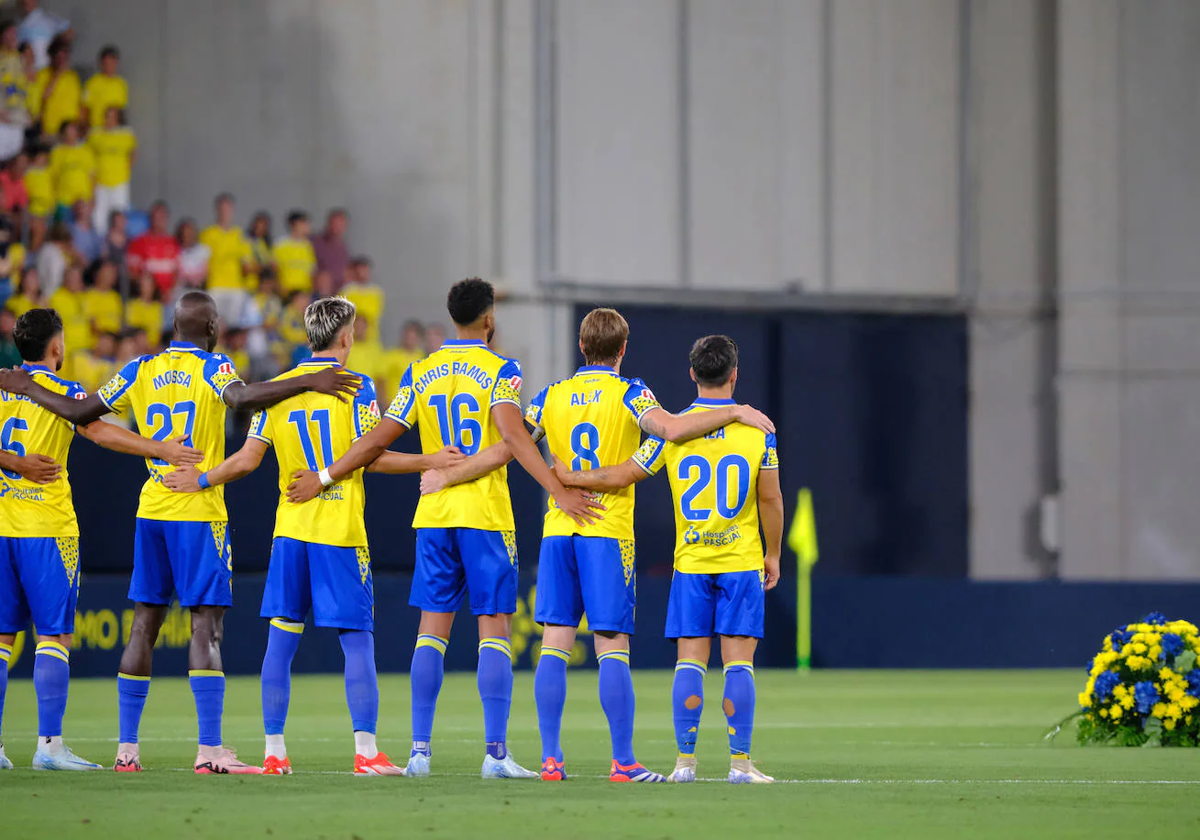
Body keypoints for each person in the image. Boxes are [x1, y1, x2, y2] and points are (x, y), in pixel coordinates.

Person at [0, 291, 361, 774]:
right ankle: (210, 749)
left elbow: (85, 414)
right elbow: (241, 398)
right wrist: (307, 381)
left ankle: (127, 751)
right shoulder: (214, 367)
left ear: (172, 325)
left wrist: (26, 389)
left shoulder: (138, 369)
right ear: (211, 328)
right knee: (205, 626)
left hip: (151, 510)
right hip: (198, 510)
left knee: (143, 624)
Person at [421, 309, 775, 783]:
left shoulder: (551, 395)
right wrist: (734, 410)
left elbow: (509, 446)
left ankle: (551, 760)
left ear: (582, 346)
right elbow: (668, 430)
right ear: (622, 349)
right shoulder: (632, 392)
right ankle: (623, 761)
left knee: (554, 644)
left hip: (558, 531)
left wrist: (450, 473)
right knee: (611, 645)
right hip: (606, 533)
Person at [286, 277, 604, 779]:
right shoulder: (501, 369)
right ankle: (496, 756)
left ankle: (418, 753)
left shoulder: (422, 370)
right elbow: (513, 435)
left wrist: (326, 474)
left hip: (433, 517)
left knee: (431, 631)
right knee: (493, 629)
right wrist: (555, 489)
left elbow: (373, 443)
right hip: (484, 516)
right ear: (489, 318)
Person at [163, 297, 464, 774]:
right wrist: (430, 460)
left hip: (290, 531)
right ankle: (366, 752)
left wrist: (200, 479)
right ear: (345, 337)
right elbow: (374, 455)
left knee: (280, 641)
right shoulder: (356, 386)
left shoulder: (277, 387)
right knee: (357, 639)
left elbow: (246, 460)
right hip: (339, 531)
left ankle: (274, 752)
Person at [551, 335, 784, 784]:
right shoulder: (757, 430)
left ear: (692, 374)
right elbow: (770, 498)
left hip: (691, 564)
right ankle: (739, 763)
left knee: (690, 663)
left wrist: (569, 479)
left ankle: (684, 763)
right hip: (739, 561)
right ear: (734, 375)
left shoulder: (670, 429)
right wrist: (772, 553)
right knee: (738, 665)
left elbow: (624, 474)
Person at [0, 307, 202, 772]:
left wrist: (11, 464)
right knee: (54, 634)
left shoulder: (3, 386)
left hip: (4, 530)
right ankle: (49, 746)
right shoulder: (65, 392)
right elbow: (101, 432)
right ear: (56, 348)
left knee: (4, 637)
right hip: (47, 531)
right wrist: (161, 448)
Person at [200, 193, 253, 328]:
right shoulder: (207, 234)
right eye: (222, 209)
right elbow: (203, 261)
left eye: (228, 209)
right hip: (215, 286)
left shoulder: (239, 235)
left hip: (235, 287)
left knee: (233, 327)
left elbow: (246, 262)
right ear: (217, 210)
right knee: (213, 325)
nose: (225, 212)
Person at [87, 107, 135, 234]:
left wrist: (124, 170)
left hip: (119, 181)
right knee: (99, 216)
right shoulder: (95, 134)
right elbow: (89, 158)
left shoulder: (126, 134)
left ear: (117, 118)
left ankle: (118, 242)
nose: (109, 119)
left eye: (112, 116)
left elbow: (133, 153)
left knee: (119, 214)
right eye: (107, 116)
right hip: (100, 182)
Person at [30, 34, 79, 137]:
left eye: (65, 56)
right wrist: (57, 75)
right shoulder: (42, 75)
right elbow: (42, 98)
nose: (62, 60)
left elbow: (78, 104)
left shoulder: (73, 77)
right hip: (50, 130)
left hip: (69, 132)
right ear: (52, 56)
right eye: (59, 56)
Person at [127, 201, 179, 297]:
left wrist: (170, 291)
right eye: (157, 217)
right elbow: (132, 273)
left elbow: (177, 271)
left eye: (163, 217)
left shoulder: (174, 242)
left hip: (169, 297)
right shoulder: (138, 242)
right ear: (151, 218)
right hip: (148, 299)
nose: (160, 220)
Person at [49, 122, 94, 212]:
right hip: (63, 199)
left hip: (83, 200)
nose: (70, 133)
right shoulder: (57, 152)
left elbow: (92, 176)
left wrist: (92, 197)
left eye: (73, 130)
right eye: (68, 131)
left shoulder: (86, 151)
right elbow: (53, 176)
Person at [0, 22, 29, 162]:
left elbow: (22, 88)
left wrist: (27, 111)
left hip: (17, 118)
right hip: (2, 119)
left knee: (14, 161)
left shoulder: (20, 60)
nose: (13, 37)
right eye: (9, 33)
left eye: (15, 34)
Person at [15, 0, 70, 71]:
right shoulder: (17, 22)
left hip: (45, 69)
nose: (26, 2)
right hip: (24, 70)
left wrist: (59, 53)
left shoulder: (47, 19)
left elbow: (68, 32)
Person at [272, 210, 315, 296]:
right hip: (286, 292)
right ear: (294, 225)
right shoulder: (281, 244)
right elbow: (274, 269)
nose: (306, 227)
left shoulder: (307, 246)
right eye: (303, 223)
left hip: (303, 293)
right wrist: (279, 289)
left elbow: (311, 271)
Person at [82, 45, 125, 129]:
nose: (109, 65)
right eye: (107, 63)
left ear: (116, 62)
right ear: (101, 63)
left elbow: (121, 110)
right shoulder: (91, 83)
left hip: (113, 130)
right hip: (96, 129)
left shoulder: (121, 84)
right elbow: (84, 108)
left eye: (112, 62)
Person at [342, 256, 382, 341]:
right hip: (352, 338)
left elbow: (374, 314)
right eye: (360, 270)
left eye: (365, 270)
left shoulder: (376, 292)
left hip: (371, 338)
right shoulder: (347, 291)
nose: (363, 273)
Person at [311, 208, 349, 290]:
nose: (336, 228)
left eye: (340, 224)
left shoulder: (343, 247)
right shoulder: (315, 242)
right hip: (320, 286)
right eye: (334, 224)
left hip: (339, 287)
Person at [124, 271, 161, 349]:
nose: (146, 287)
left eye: (149, 284)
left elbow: (160, 331)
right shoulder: (132, 305)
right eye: (144, 284)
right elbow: (131, 329)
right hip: (136, 346)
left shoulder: (158, 307)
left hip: (155, 347)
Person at [84, 258, 120, 335]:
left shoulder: (115, 296)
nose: (112, 275)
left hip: (114, 339)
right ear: (97, 274)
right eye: (108, 272)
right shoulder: (88, 295)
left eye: (113, 272)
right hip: (98, 340)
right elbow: (91, 325)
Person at [23, 142, 52, 220]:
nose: (43, 159)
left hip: (47, 211)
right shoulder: (27, 172)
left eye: (45, 157)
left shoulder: (48, 172)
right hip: (32, 211)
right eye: (41, 157)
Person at [245, 211, 273, 288]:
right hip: (249, 284)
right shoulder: (246, 242)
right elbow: (247, 268)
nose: (260, 229)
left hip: (263, 286)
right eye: (259, 226)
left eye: (263, 226)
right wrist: (261, 268)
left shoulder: (266, 245)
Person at [69, 199, 102, 266]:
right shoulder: (71, 229)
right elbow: (70, 247)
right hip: (79, 265)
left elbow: (100, 249)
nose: (82, 211)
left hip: (94, 265)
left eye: (84, 207)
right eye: (80, 208)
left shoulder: (94, 230)